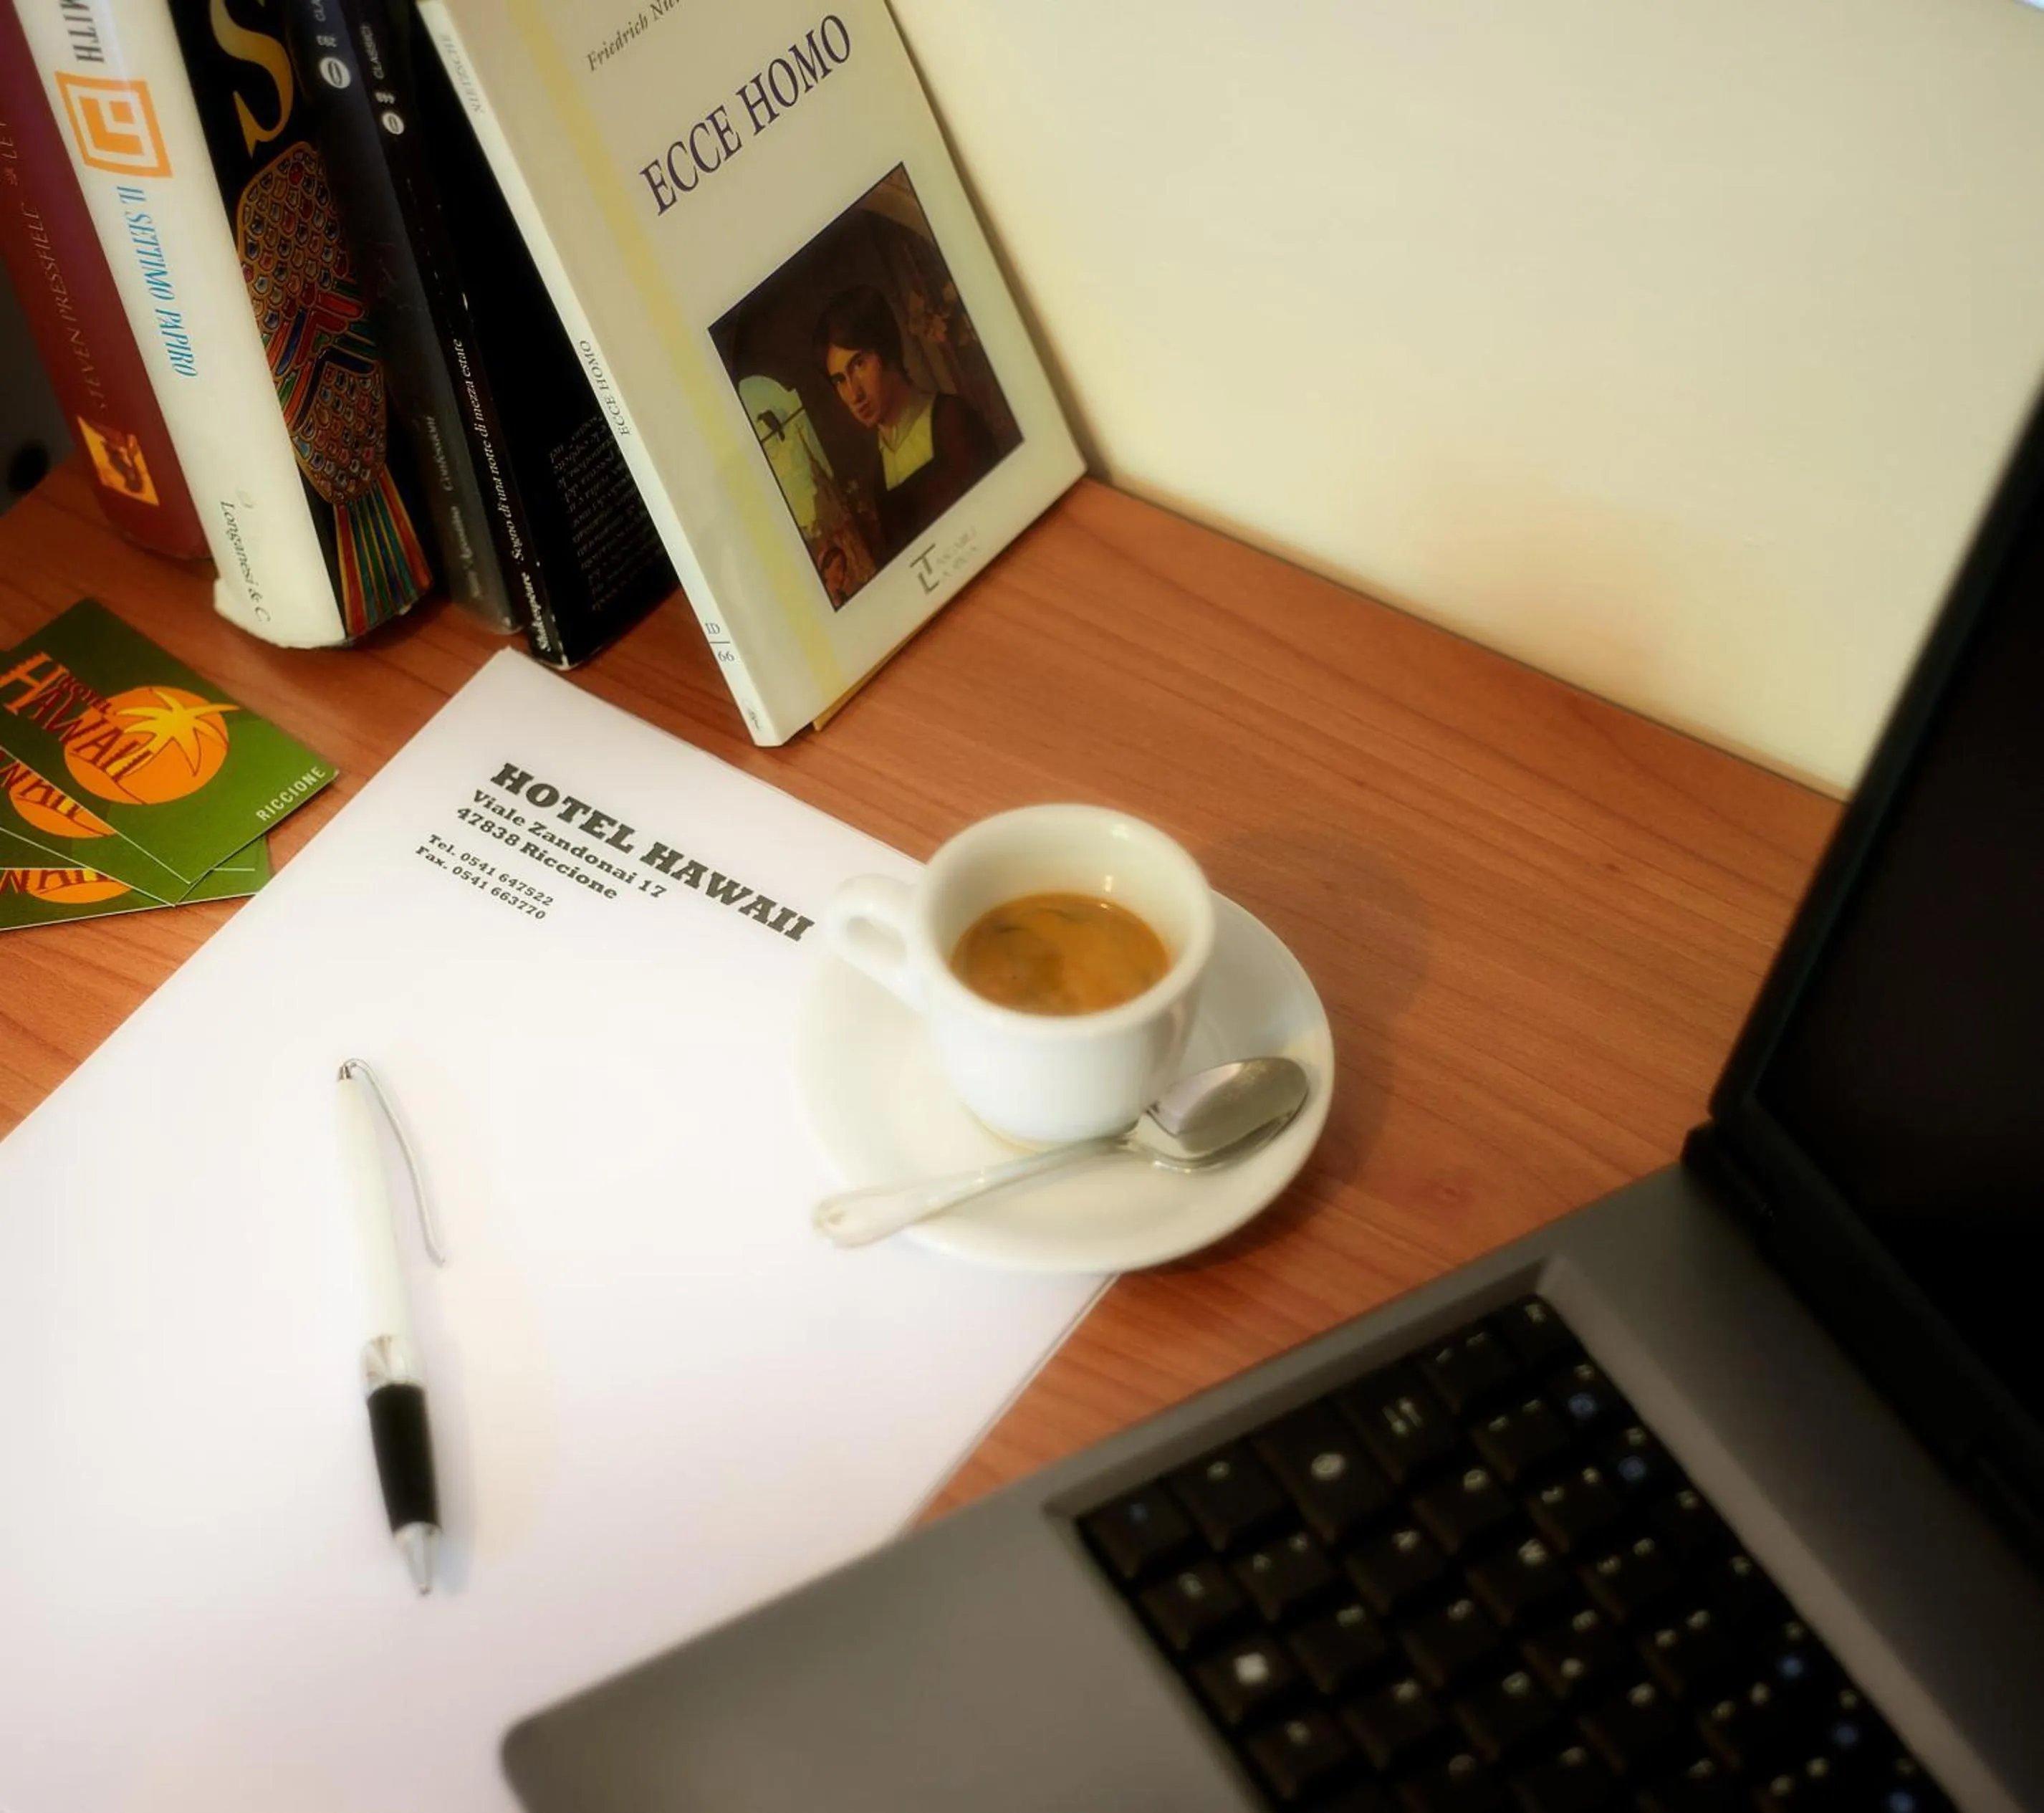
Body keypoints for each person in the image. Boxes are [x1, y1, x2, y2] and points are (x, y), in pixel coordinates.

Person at [812, 284, 997, 563]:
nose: (854, 394)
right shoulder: (880, 478)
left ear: (887, 352)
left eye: (859, 365)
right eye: (840, 380)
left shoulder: (952, 420)